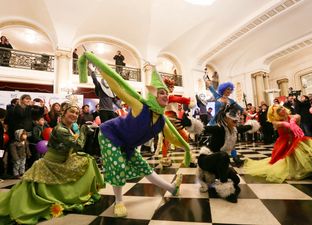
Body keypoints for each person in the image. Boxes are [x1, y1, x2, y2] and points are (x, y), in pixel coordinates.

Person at [78, 51, 192, 217]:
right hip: (110, 134)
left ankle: (172, 188)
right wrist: (96, 63)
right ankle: (118, 201)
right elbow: (119, 85)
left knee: (144, 167)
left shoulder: (161, 120)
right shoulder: (140, 106)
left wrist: (186, 149)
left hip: (127, 142)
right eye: (161, 92)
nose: (165, 95)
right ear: (153, 94)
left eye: (166, 93)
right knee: (118, 165)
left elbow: (174, 136)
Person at [0, 102, 104, 224]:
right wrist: (83, 130)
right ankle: (70, 196)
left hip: (64, 159)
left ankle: (81, 193)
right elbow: (79, 145)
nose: (75, 115)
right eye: (71, 112)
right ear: (63, 113)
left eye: (76, 113)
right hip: (53, 162)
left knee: (88, 160)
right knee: (87, 161)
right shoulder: (60, 129)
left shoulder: (68, 128)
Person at [244, 104, 312, 183]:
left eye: (282, 108)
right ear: (275, 113)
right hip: (284, 143)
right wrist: (288, 123)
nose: (282, 110)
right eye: (278, 110)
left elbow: (298, 116)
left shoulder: (292, 116)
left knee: (305, 153)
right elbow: (284, 125)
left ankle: (309, 169)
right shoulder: (275, 121)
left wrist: (292, 120)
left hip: (296, 139)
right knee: (284, 160)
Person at [198, 104, 253, 203]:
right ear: (225, 118)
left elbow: (246, 127)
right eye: (233, 114)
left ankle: (212, 178)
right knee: (223, 156)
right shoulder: (219, 129)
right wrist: (190, 123)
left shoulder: (235, 130)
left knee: (236, 181)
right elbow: (203, 128)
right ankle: (225, 190)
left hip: (219, 162)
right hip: (206, 160)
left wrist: (253, 125)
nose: (236, 117)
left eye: (238, 114)